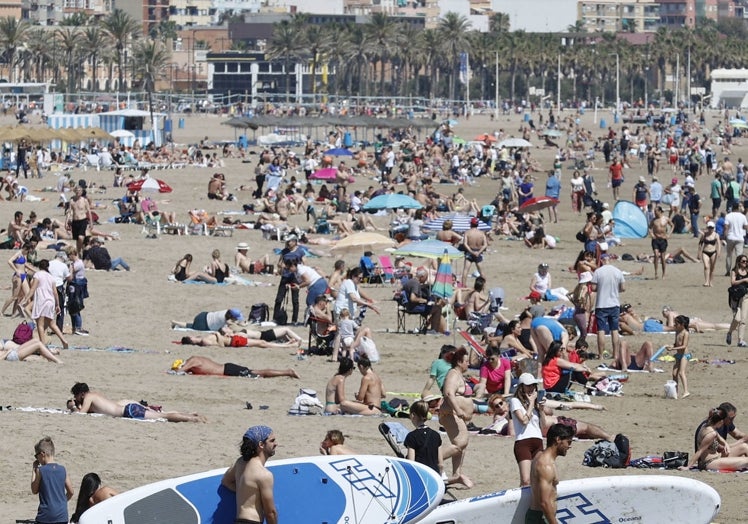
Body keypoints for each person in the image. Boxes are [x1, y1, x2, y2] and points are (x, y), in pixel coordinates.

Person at [221, 426, 278, 524]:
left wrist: (244, 492)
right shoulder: (264, 475)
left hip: (239, 520)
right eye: (272, 441)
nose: (276, 444)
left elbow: (226, 482)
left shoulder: (239, 463)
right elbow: (270, 513)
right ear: (261, 444)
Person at [69, 382, 206, 423]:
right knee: (163, 414)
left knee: (164, 417)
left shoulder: (88, 397)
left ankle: (193, 419)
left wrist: (73, 406)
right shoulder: (95, 395)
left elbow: (81, 414)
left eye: (77, 396)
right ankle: (191, 414)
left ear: (81, 394)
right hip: (129, 407)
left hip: (129, 411)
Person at [525, 423, 575, 524]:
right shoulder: (546, 466)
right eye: (568, 442)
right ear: (558, 439)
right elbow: (544, 502)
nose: (569, 446)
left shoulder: (539, 456)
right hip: (541, 518)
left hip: (539, 516)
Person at [439, 347, 475, 488]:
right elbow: (449, 393)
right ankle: (431, 459)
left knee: (462, 445)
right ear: (459, 362)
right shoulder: (453, 374)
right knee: (460, 443)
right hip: (451, 413)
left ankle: (456, 474)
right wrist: (459, 410)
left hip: (455, 414)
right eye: (466, 361)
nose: (468, 364)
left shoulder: (459, 375)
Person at [22, 259, 69, 349]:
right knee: (52, 324)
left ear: (39, 266)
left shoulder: (38, 275)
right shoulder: (50, 277)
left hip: (42, 301)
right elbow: (55, 292)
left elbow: (32, 289)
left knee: (40, 324)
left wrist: (26, 299)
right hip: (50, 301)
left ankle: (42, 345)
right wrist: (57, 305)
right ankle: (64, 341)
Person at [510, 372, 547, 487]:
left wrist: (541, 410)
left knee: (538, 477)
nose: (531, 388)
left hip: (537, 441)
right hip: (523, 442)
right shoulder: (515, 401)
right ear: (521, 387)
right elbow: (524, 421)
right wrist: (531, 403)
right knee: (526, 480)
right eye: (528, 385)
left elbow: (544, 426)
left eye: (533, 385)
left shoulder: (535, 405)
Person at [685, 407, 748, 472]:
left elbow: (719, 438)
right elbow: (700, 451)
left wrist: (726, 444)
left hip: (717, 457)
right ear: (721, 421)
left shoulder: (709, 426)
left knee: (744, 446)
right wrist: (688, 467)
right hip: (709, 463)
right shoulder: (710, 434)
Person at [31, 436, 74, 524]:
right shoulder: (63, 469)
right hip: (62, 516)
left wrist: (34, 470)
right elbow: (71, 492)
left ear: (42, 454)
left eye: (36, 455)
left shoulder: (41, 470)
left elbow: (34, 490)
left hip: (46, 516)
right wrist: (61, 502)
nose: (37, 459)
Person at [590, 253, 625, 361]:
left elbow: (594, 287)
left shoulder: (598, 272)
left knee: (601, 330)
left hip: (601, 304)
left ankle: (601, 355)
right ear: (610, 260)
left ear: (601, 260)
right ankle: (615, 354)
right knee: (614, 330)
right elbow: (623, 288)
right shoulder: (617, 271)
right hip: (614, 304)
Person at [405, 400, 443, 476]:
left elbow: (411, 463)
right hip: (434, 474)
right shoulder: (436, 435)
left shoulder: (412, 436)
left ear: (412, 415)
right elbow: (441, 464)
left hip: (420, 474)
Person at [176, 355, 300, 379]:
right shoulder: (196, 359)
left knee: (259, 373)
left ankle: (287, 372)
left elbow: (180, 371)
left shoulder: (192, 361)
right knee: (257, 373)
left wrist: (176, 370)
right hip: (228, 368)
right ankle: (287, 372)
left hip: (228, 370)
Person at [273, 236, 304, 325]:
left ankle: (294, 320)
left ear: (294, 242)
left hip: (295, 276)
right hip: (285, 276)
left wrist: (301, 275)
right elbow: (279, 263)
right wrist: (281, 267)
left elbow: (304, 262)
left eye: (289, 241)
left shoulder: (300, 251)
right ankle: (275, 318)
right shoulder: (284, 251)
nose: (288, 243)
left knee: (295, 299)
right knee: (279, 298)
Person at [666, 314, 691, 399]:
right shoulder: (677, 332)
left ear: (682, 324)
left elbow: (684, 346)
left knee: (681, 372)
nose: (674, 325)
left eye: (676, 323)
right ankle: (675, 392)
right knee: (674, 373)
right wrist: (671, 346)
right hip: (678, 355)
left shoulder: (686, 333)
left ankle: (686, 391)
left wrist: (673, 349)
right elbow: (676, 343)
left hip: (684, 355)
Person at [727, 254, 748, 347]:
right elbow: (733, 282)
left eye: (746, 261)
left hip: (746, 297)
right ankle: (730, 332)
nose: (745, 263)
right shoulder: (734, 271)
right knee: (737, 319)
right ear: (739, 262)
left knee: (743, 320)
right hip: (736, 297)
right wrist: (744, 280)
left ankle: (740, 341)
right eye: (743, 261)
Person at [66, 185, 92, 256]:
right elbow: (69, 212)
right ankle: (79, 253)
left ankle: (78, 251)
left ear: (82, 192)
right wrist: (66, 222)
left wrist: (91, 223)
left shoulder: (84, 200)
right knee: (77, 240)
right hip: (75, 221)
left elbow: (89, 211)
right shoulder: (72, 200)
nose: (78, 192)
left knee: (81, 238)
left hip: (83, 220)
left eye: (80, 191)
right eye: (77, 191)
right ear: (75, 191)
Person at [461, 217, 488, 284]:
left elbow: (465, 244)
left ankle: (463, 286)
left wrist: (471, 252)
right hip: (478, 252)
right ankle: (483, 287)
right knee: (481, 272)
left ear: (471, 224)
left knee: (465, 271)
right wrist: (478, 252)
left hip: (469, 252)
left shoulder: (467, 232)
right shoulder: (481, 233)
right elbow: (485, 245)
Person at [723, 202, 748, 276]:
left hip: (730, 237)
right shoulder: (742, 216)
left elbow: (726, 227)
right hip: (739, 237)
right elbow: (746, 227)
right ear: (738, 208)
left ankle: (728, 270)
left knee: (729, 255)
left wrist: (724, 236)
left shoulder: (728, 216)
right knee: (739, 256)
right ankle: (738, 270)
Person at [649, 205, 673, 279]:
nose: (654, 212)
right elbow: (649, 228)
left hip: (663, 239)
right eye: (654, 211)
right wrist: (652, 234)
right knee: (656, 255)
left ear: (659, 211)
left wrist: (669, 234)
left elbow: (672, 225)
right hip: (655, 239)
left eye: (656, 211)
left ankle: (664, 274)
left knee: (662, 257)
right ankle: (656, 273)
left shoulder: (665, 219)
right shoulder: (653, 220)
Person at [171, 308, 244, 331]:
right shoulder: (226, 320)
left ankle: (175, 322)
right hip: (203, 324)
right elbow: (232, 326)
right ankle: (175, 322)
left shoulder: (226, 311)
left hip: (204, 315)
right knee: (190, 326)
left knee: (192, 324)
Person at [698, 221, 721, 287]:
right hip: (705, 252)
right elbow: (700, 244)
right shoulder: (704, 234)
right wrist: (699, 253)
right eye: (709, 227)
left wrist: (719, 252)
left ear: (714, 228)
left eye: (712, 228)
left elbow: (719, 244)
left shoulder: (716, 235)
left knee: (712, 268)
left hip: (713, 252)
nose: (710, 229)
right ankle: (706, 281)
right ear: (707, 227)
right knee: (706, 266)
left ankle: (710, 282)